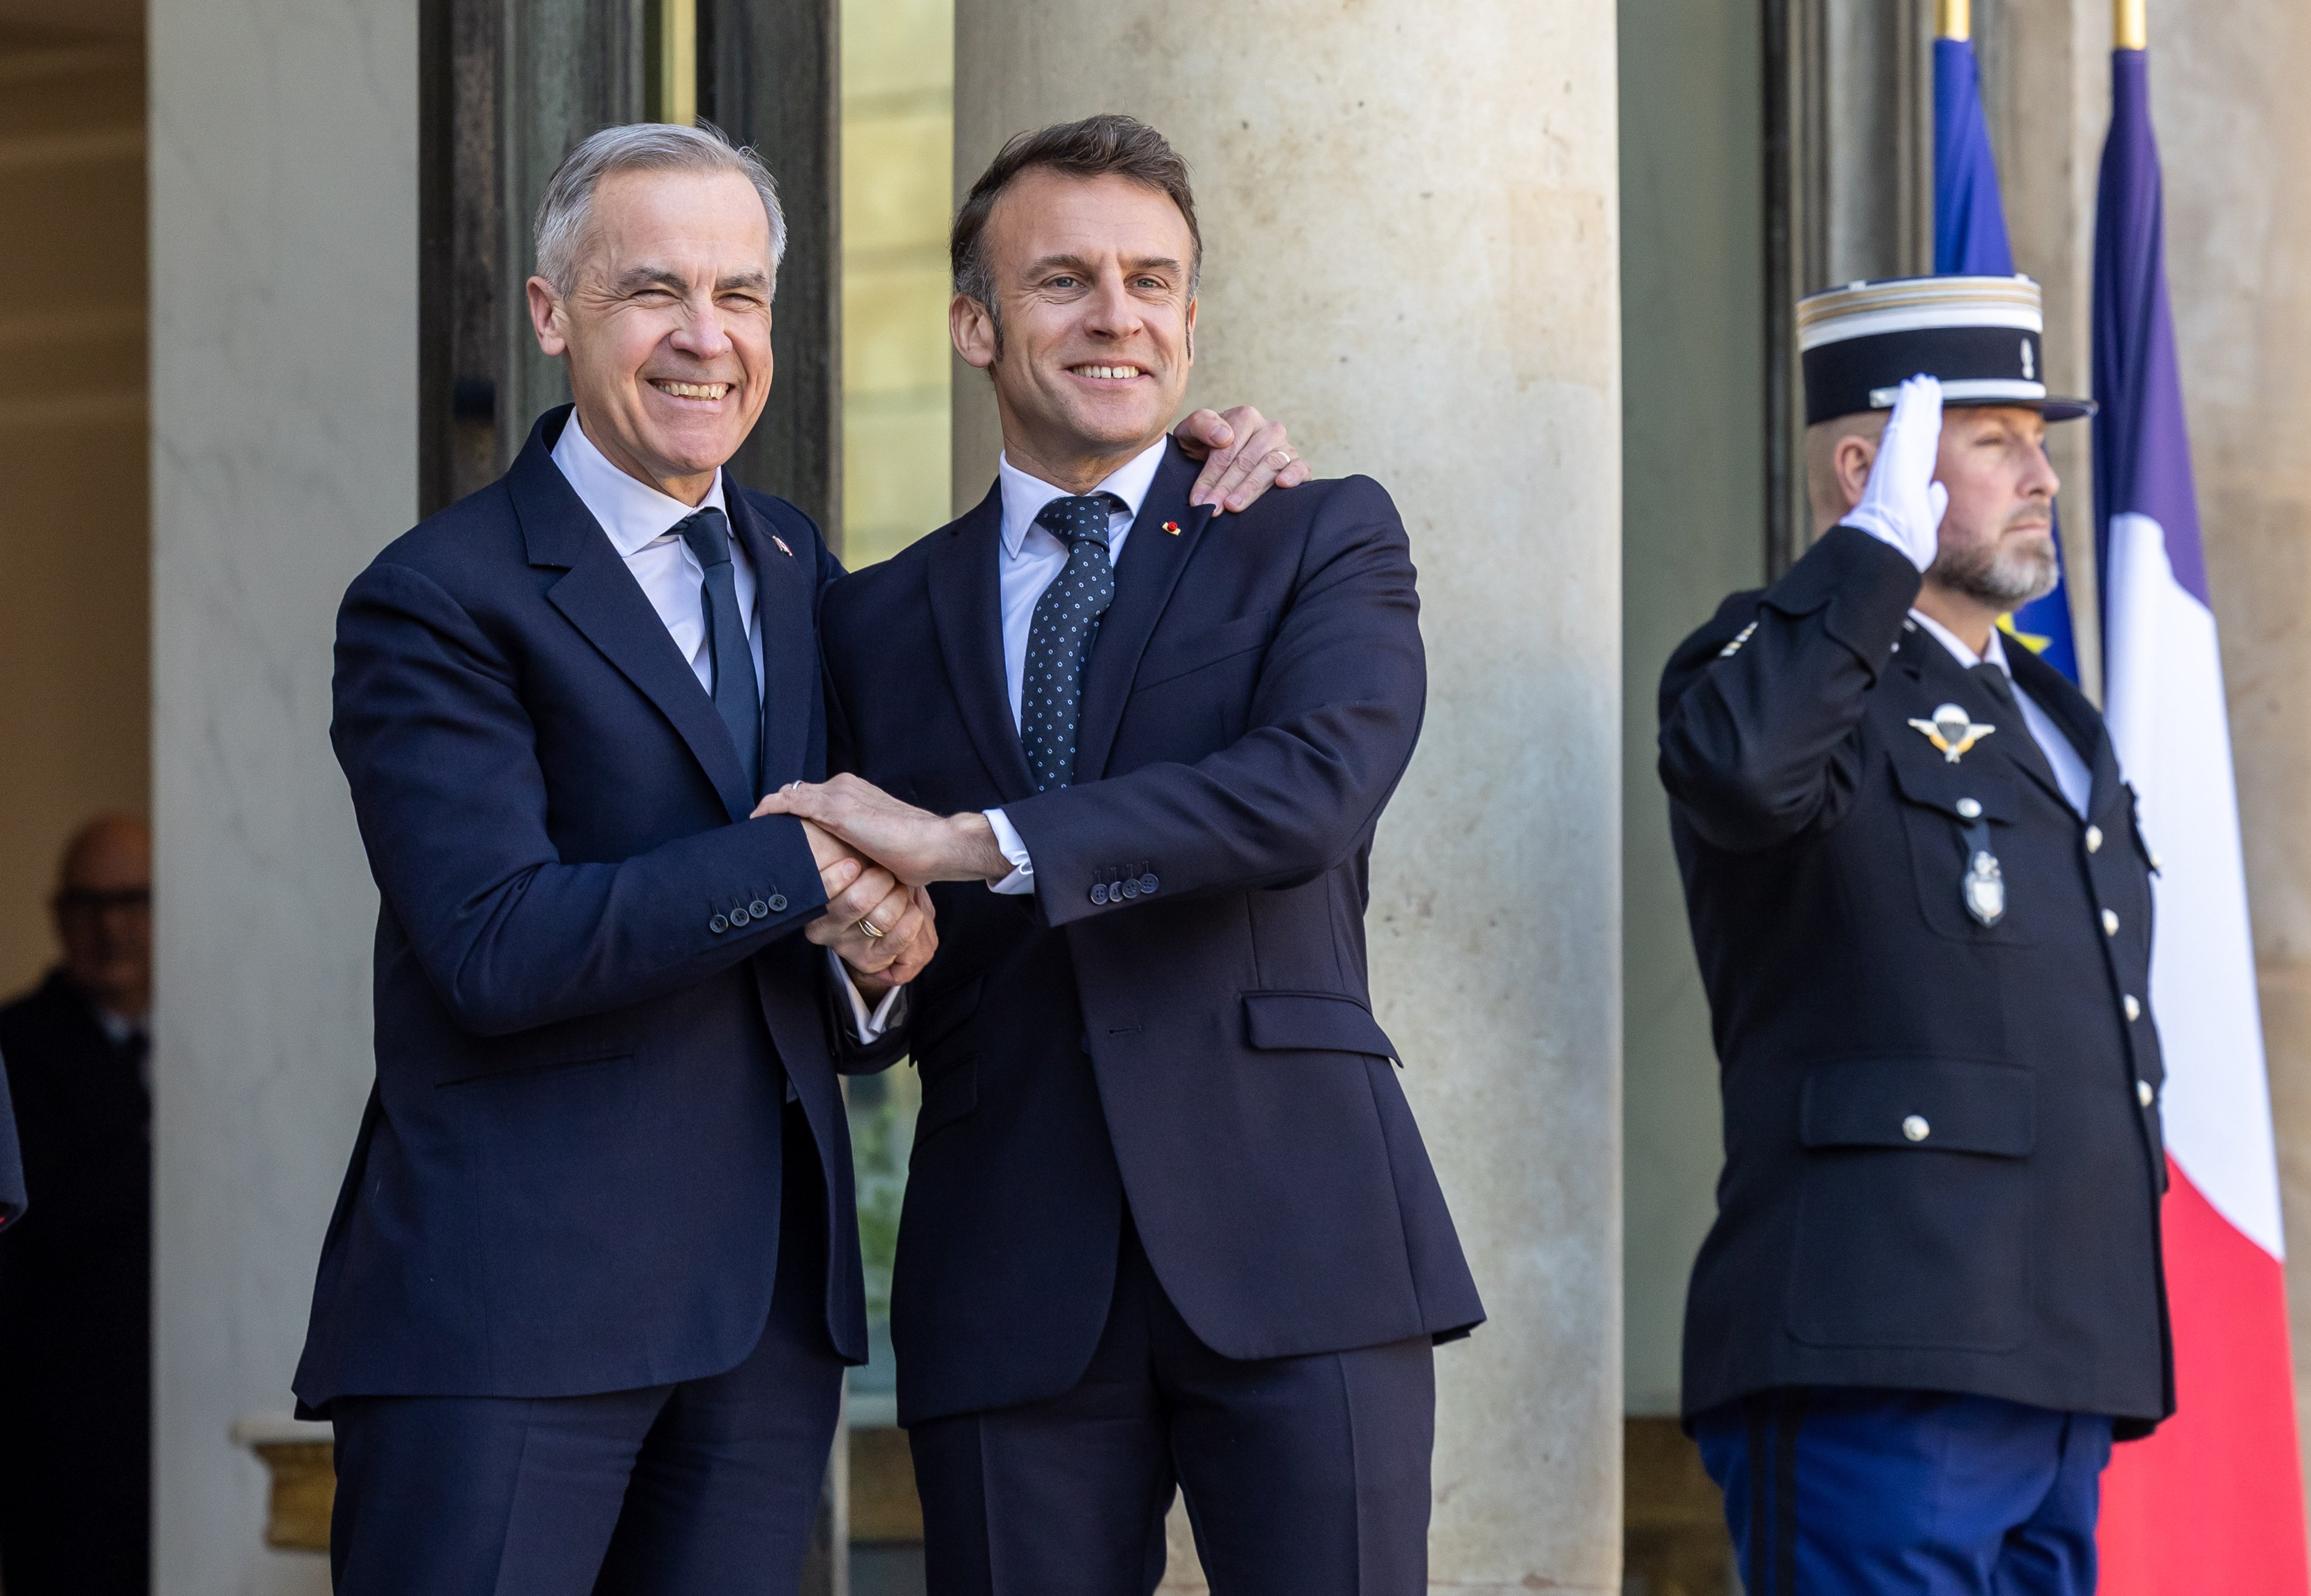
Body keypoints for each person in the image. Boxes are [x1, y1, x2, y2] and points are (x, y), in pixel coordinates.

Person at [296, 118, 1306, 1596]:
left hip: (762, 1334)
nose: (704, 339)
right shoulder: (437, 599)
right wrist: (793, 873)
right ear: (548, 313)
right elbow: (493, 946)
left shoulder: (799, 577)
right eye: (653, 292)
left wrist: (884, 969)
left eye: (742, 297)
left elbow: (871, 922)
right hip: (506, 1322)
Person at [763, 114, 1483, 1596]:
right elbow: (860, 945)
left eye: (1152, 281)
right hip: (1008, 1263)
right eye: (1063, 281)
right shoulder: (868, 618)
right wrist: (874, 977)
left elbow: (1308, 796)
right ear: (972, 323)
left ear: (1192, 318)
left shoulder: (1313, 536)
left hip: (1301, 1238)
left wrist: (974, 843)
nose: (1116, 316)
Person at [1656, 275, 2170, 1595]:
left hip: (2054, 1350)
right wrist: (1868, 564)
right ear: (1860, 465)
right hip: (1873, 1347)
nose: (2037, 475)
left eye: (2037, 441)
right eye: (1991, 441)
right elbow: (1741, 772)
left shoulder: (2051, 716)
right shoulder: (1764, 671)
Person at [0, 814, 156, 1596]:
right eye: (90, 903)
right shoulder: (14, 1049)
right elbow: (45, 1222)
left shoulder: (210, 1045)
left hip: (186, 1435)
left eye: (133, 899)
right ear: (60, 917)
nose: (113, 923)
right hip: (58, 1453)